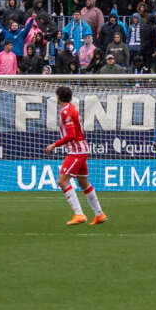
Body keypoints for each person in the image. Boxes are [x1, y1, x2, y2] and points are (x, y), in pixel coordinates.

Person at [48, 85, 106, 226]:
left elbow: (71, 135)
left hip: (76, 151)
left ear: (58, 97)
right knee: (83, 183)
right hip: (81, 149)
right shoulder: (72, 108)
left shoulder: (66, 111)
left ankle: (79, 214)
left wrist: (54, 145)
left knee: (62, 181)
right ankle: (99, 214)